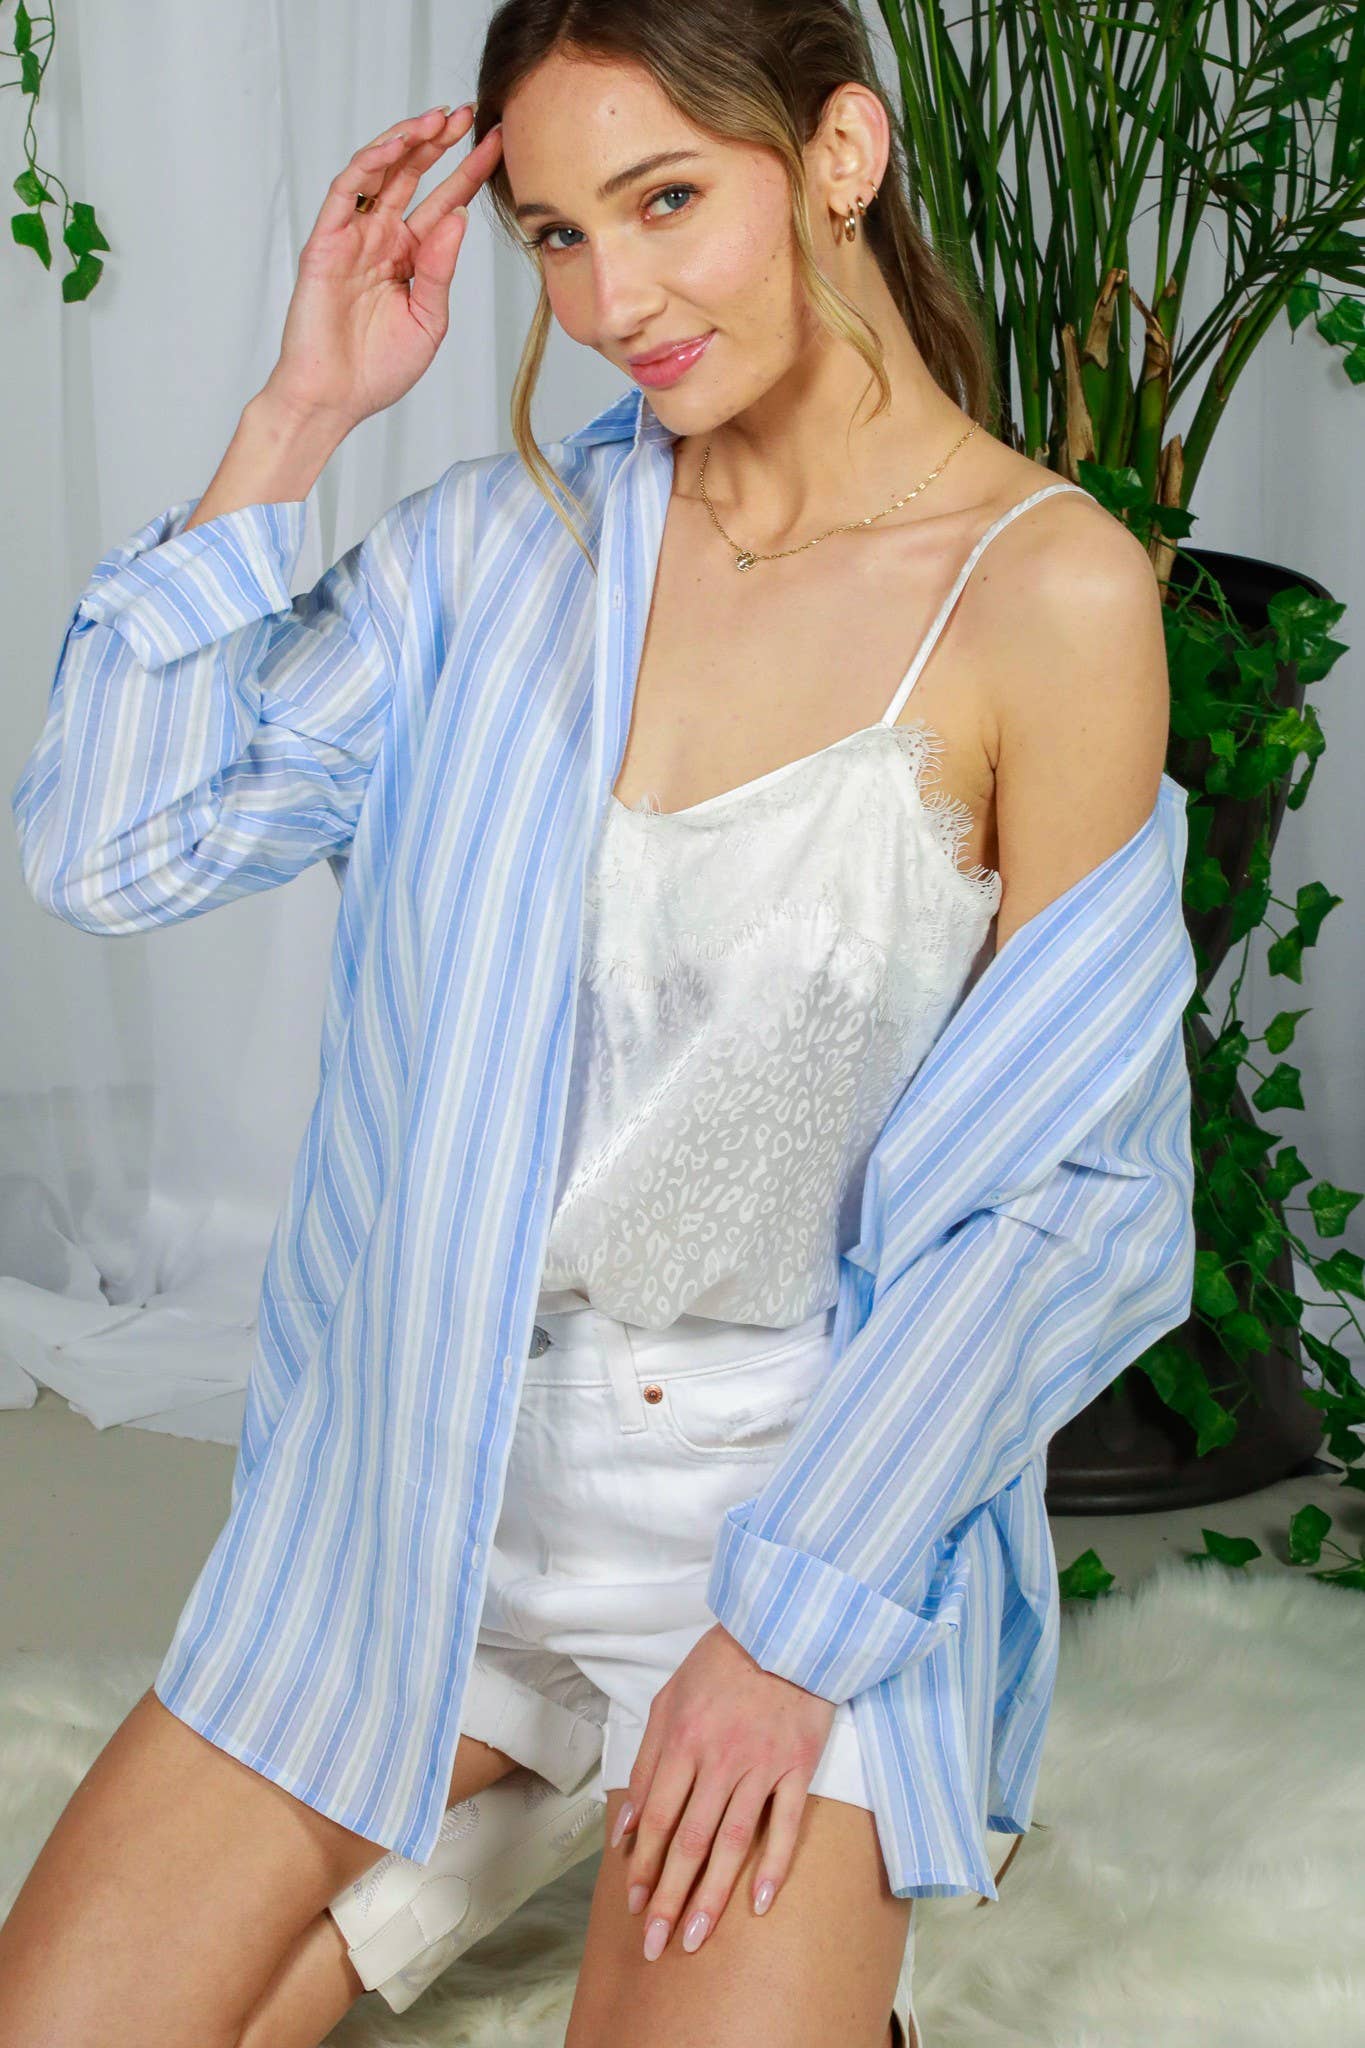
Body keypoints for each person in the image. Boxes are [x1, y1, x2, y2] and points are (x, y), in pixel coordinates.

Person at [3, 3, 1190, 2044]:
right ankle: (509, 1789)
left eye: (664, 201)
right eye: (555, 234)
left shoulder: (1046, 595)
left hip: (787, 1498)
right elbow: (112, 849)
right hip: (430, 1487)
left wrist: (789, 1634)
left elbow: (1064, 1196)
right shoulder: (495, 557)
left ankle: (604, 1820)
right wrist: (297, 414)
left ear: (836, 155)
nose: (610, 299)